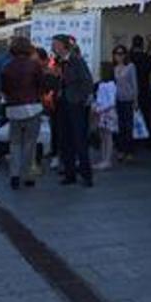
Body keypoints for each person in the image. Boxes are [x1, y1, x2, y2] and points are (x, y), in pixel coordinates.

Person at [1, 37, 44, 190]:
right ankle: (27, 175)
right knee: (30, 143)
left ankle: (14, 175)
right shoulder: (35, 65)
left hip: (13, 108)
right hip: (32, 107)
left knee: (15, 143)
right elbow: (41, 84)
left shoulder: (7, 67)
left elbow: (5, 88)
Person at [53, 34, 95, 187]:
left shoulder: (76, 60)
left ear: (64, 46)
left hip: (75, 103)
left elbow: (87, 81)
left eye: (56, 44)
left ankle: (86, 175)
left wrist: (82, 100)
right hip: (62, 103)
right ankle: (69, 173)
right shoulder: (58, 62)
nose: (54, 47)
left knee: (79, 139)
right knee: (65, 139)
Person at [112, 45, 138, 162]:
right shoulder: (114, 68)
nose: (119, 56)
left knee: (128, 126)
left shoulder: (130, 67)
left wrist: (135, 100)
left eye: (122, 53)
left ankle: (129, 151)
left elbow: (134, 84)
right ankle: (121, 150)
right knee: (120, 126)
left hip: (128, 99)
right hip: (118, 99)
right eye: (117, 53)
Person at [129, 35, 151, 137]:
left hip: (130, 90)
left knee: (130, 117)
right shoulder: (147, 57)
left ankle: (132, 140)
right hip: (144, 88)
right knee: (146, 116)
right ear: (142, 44)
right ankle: (149, 140)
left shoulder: (129, 57)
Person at [93, 63, 118, 170]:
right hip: (102, 112)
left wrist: (100, 109)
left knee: (108, 137)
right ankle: (103, 159)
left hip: (107, 112)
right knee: (103, 137)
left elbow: (112, 102)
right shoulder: (103, 84)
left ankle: (107, 160)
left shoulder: (111, 85)